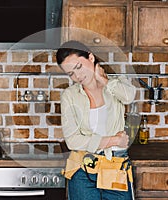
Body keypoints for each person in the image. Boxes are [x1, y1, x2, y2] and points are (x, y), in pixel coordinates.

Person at [56, 40, 136, 200]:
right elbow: (72, 141)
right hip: (81, 171)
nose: (77, 76)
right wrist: (114, 140)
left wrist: (104, 80)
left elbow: (129, 97)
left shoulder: (116, 84)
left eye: (78, 67)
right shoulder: (69, 95)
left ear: (91, 58)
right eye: (70, 73)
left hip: (115, 167)